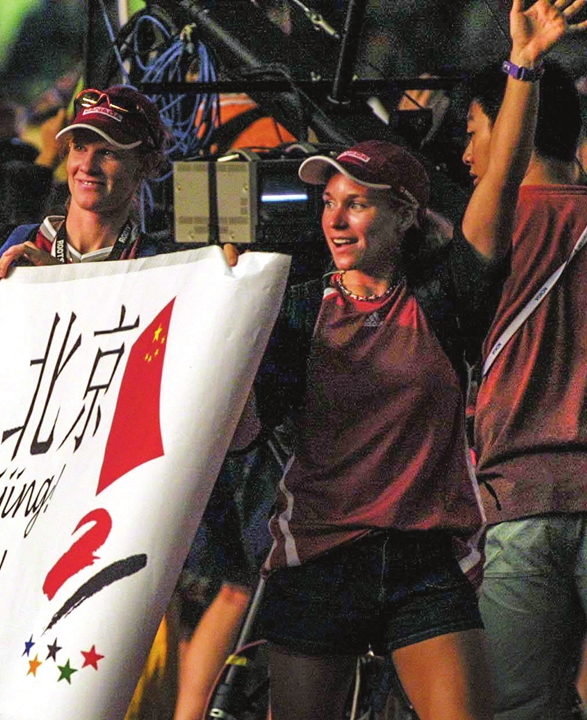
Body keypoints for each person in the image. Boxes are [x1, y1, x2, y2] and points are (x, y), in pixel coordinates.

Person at [239, 3, 580, 718]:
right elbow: (240, 431)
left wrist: (522, 67)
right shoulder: (297, 308)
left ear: (406, 216)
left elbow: (501, 180)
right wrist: (221, 313)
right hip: (319, 560)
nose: (334, 218)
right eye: (329, 201)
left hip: (425, 565)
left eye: (358, 203)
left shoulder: (445, 296)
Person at [462, 42, 587, 720]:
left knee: (521, 710)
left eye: (474, 131)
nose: (465, 155)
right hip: (524, 501)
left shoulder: (491, 229)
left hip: (518, 500)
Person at [0, 85, 168, 277]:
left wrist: (61, 282)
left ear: (146, 164)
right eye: (79, 148)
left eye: (107, 152)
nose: (87, 166)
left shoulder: (162, 270)